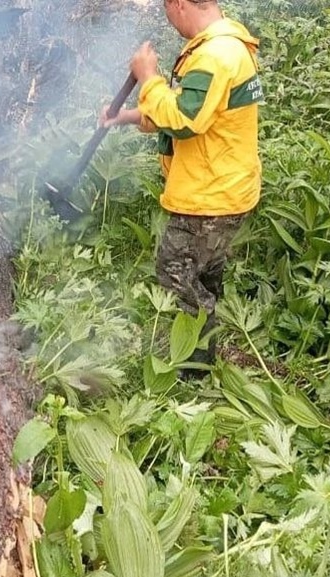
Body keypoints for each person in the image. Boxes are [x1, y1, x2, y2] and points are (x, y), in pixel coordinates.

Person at [99, 0, 263, 378]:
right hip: (225, 189)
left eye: (165, 7)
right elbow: (188, 108)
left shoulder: (214, 56)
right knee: (203, 274)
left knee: (175, 276)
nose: (166, 16)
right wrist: (124, 116)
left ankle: (193, 371)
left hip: (208, 198)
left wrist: (148, 77)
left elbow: (186, 119)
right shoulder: (222, 45)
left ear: (178, 4)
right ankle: (204, 349)